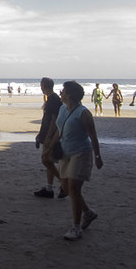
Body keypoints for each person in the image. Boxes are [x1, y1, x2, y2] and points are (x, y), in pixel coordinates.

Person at [43, 80, 103, 241]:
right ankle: (88, 213)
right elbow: (59, 129)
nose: (61, 93)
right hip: (65, 153)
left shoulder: (83, 113)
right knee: (66, 187)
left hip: (81, 153)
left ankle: (76, 227)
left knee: (74, 188)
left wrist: (97, 156)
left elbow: (93, 137)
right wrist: (51, 145)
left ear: (70, 94)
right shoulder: (63, 109)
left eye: (63, 91)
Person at [33, 78, 65, 198]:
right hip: (46, 133)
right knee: (49, 161)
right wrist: (40, 134)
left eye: (41, 86)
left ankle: (63, 184)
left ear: (44, 86)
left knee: (46, 160)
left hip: (50, 135)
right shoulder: (52, 99)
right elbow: (47, 119)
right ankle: (49, 188)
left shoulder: (53, 99)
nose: (40, 88)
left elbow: (54, 119)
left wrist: (48, 136)